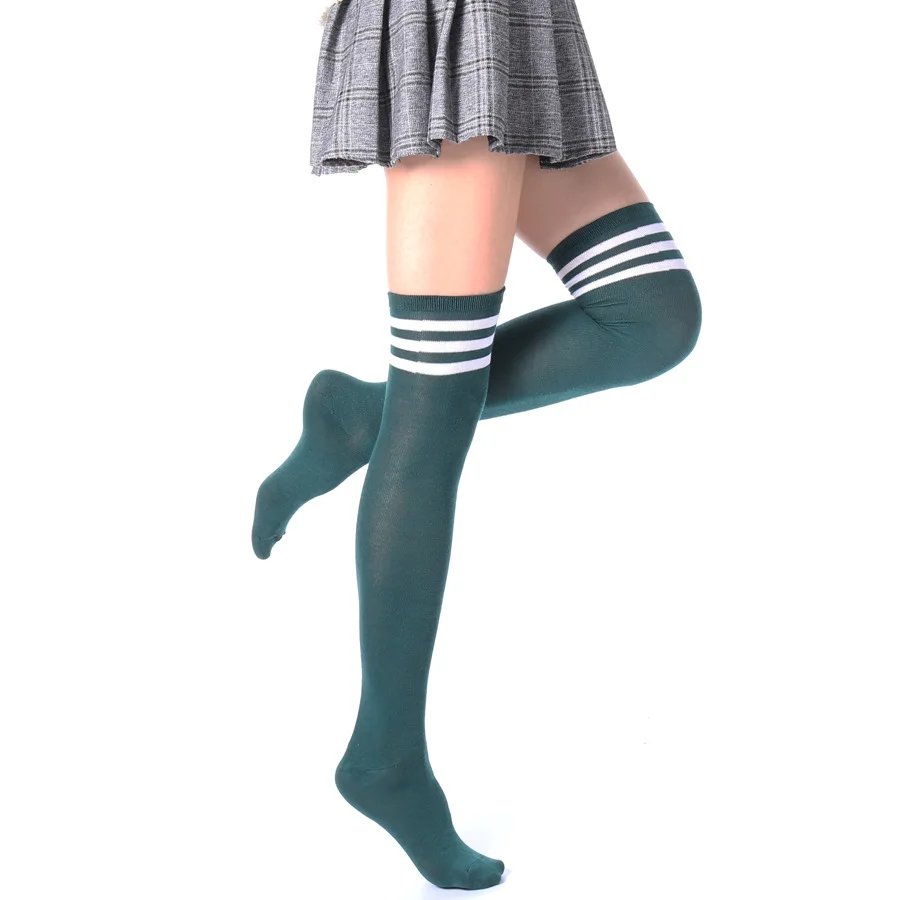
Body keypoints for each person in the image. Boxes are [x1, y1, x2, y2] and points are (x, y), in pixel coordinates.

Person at [253, 0, 702, 889]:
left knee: (651, 312)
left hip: (515, 20)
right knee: (436, 399)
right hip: (447, 19)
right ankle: (385, 756)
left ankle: (359, 416)